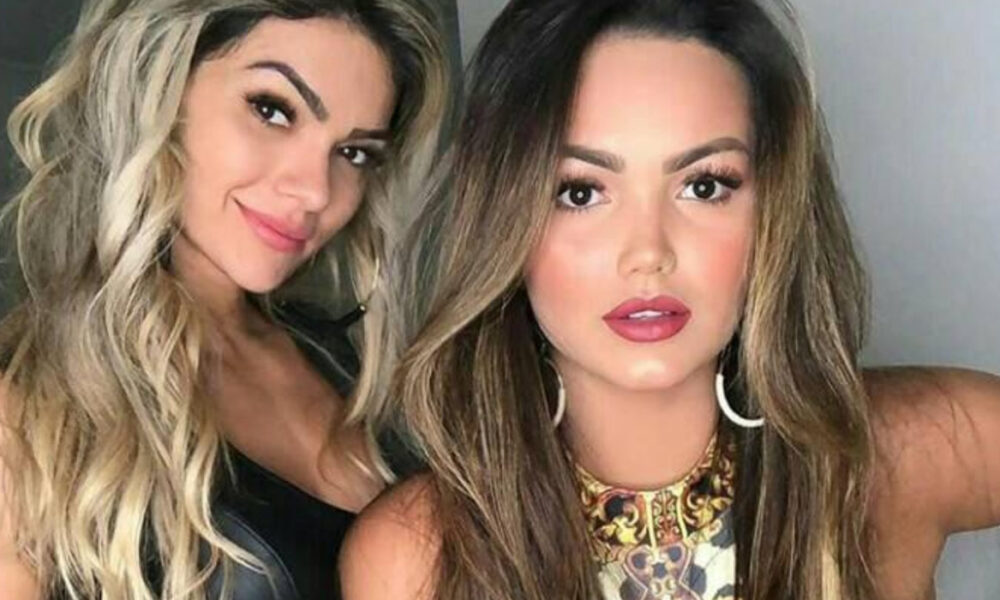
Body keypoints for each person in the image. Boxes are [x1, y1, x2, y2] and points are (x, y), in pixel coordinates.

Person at [338, 1, 1000, 599]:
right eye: (580, 192)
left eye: (704, 186)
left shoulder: (917, 451)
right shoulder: (415, 559)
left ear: (774, 209)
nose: (648, 251)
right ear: (502, 220)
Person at [0, 0, 448, 598]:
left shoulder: (354, 366)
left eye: (354, 152)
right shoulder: (27, 414)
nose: (315, 191)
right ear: (160, 89)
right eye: (273, 110)